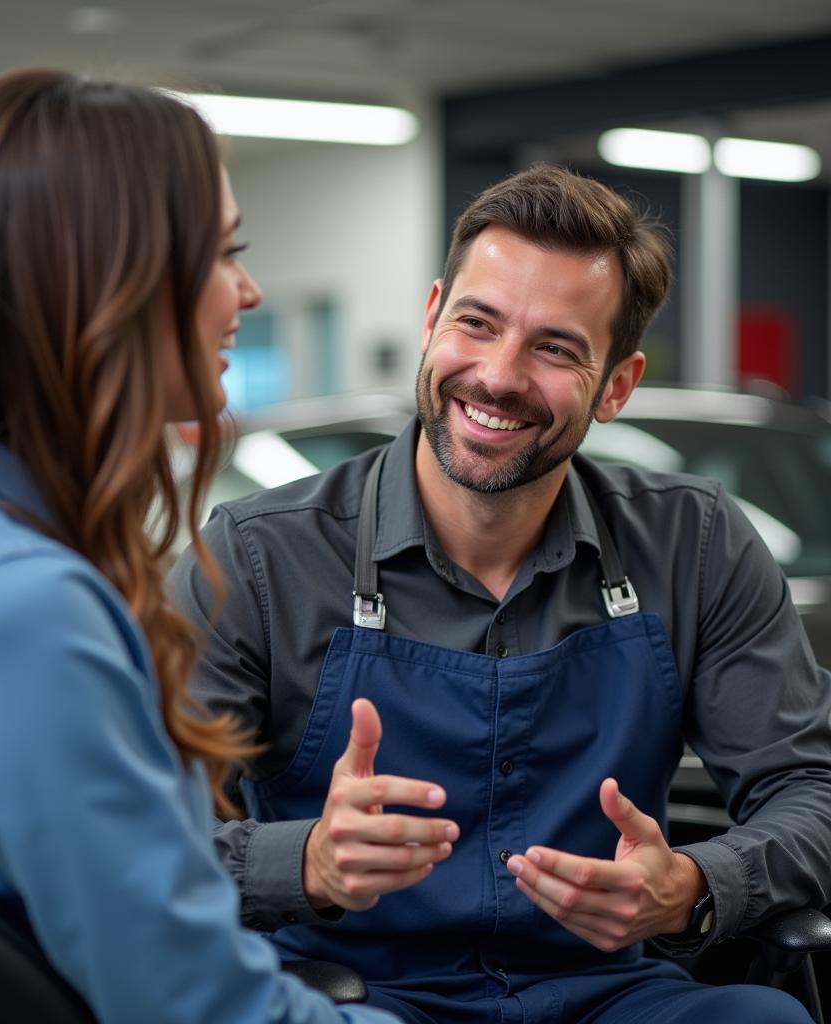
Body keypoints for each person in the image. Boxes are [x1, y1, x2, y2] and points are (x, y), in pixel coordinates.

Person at [169, 164, 831, 1023]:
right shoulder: (257, 559)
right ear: (432, 316)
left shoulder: (695, 545)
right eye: (476, 324)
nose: (498, 375)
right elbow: (138, 836)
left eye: (555, 348)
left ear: (617, 386)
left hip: (611, 994)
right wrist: (307, 864)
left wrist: (698, 885)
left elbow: (812, 790)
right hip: (356, 997)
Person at [0, 69, 400, 1024]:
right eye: (222, 253)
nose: (246, 290)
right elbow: (195, 1007)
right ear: (109, 285)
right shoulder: (18, 613)